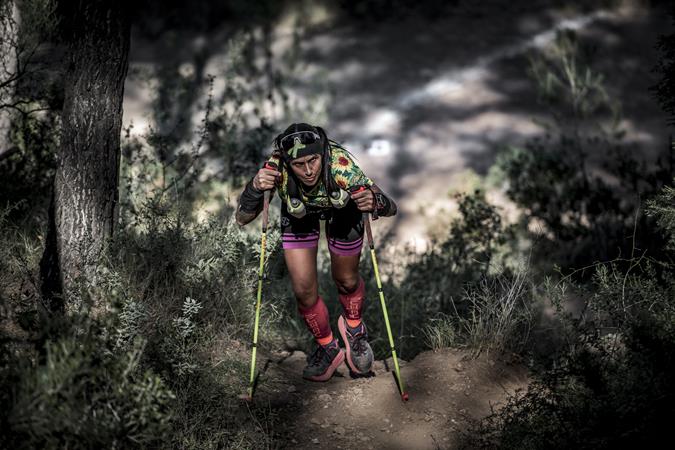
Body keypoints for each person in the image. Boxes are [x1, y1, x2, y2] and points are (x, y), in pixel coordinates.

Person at [235, 123, 398, 382]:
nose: (309, 170)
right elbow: (243, 218)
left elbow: (391, 208)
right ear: (288, 162)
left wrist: (374, 201)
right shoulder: (276, 167)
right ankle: (327, 346)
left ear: (323, 153)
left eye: (313, 160)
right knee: (304, 291)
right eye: (299, 164)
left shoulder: (341, 166)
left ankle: (354, 330)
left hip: (343, 211)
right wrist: (256, 185)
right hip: (298, 213)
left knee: (346, 280)